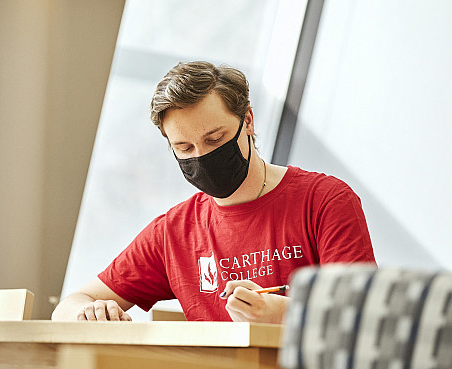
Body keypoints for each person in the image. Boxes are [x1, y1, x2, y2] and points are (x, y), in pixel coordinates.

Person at [51, 61, 375, 323]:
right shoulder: (173, 234)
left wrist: (278, 314)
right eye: (184, 147)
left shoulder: (325, 201)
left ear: (247, 121)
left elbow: (363, 316)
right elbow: (68, 307)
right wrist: (87, 312)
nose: (201, 157)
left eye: (215, 139)